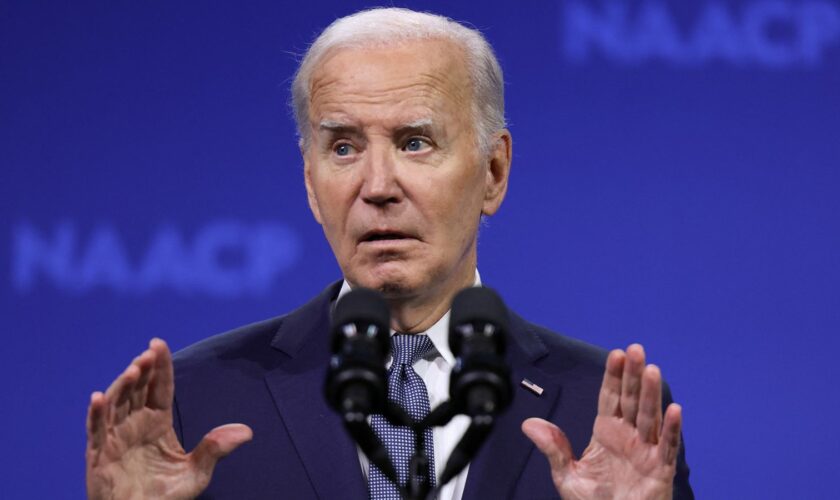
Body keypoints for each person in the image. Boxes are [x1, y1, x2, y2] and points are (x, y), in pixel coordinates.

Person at [85, 7, 692, 499]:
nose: (376, 186)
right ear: (309, 183)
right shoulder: (196, 400)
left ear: (494, 172)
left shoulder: (602, 411)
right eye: (344, 148)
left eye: (415, 142)